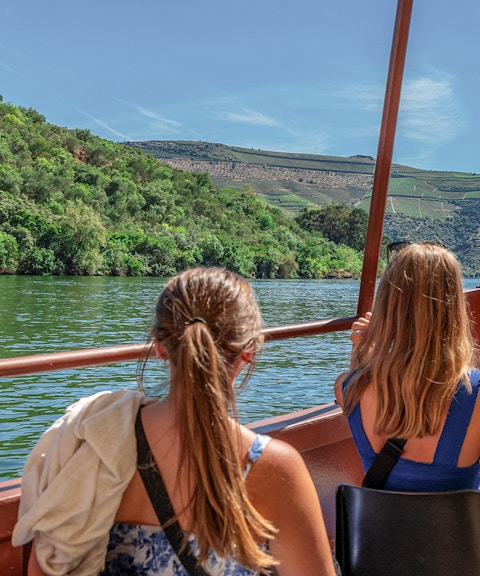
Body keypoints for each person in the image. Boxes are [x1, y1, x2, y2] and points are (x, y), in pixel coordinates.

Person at [14, 267, 337, 576]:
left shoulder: (94, 439)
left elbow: (44, 566)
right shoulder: (275, 468)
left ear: (159, 345)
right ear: (248, 350)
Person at [335, 243, 480, 492]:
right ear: (453, 309)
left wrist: (366, 351)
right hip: (457, 531)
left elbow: (366, 378)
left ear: (386, 307)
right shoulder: (475, 393)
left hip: (379, 531)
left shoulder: (347, 388)